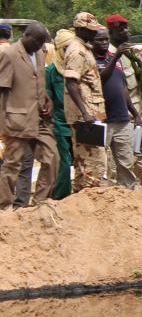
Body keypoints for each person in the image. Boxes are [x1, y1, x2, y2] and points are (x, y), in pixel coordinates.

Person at [0, 22, 57, 209]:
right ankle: (4, 207)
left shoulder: (40, 54)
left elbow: (37, 82)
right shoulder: (8, 55)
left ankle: (39, 203)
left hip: (39, 118)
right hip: (15, 120)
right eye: (37, 41)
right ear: (26, 35)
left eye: (42, 43)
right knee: (12, 166)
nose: (40, 46)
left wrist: (47, 99)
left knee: (52, 157)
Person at [107, 14, 142, 190]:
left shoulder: (130, 56)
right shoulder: (107, 54)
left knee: (134, 156)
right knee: (113, 162)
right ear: (111, 31)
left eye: (126, 28)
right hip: (112, 115)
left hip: (133, 115)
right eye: (121, 29)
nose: (125, 32)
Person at [63, 11, 108, 190]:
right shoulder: (77, 51)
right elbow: (71, 83)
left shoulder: (83, 47)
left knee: (83, 162)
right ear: (80, 29)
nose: (94, 33)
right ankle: (92, 201)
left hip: (90, 111)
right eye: (90, 30)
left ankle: (83, 202)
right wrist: (85, 112)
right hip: (85, 115)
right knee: (94, 161)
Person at [93, 28, 142, 189]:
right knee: (98, 163)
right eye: (100, 40)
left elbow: (123, 88)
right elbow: (101, 79)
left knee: (126, 162)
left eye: (106, 39)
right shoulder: (91, 60)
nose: (104, 43)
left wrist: (134, 112)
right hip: (101, 119)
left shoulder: (114, 58)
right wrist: (115, 57)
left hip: (122, 118)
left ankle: (128, 196)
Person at [47, 30, 74, 199]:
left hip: (78, 122)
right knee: (64, 162)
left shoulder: (77, 67)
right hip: (59, 122)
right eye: (67, 49)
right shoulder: (51, 71)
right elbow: (48, 97)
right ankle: (61, 196)